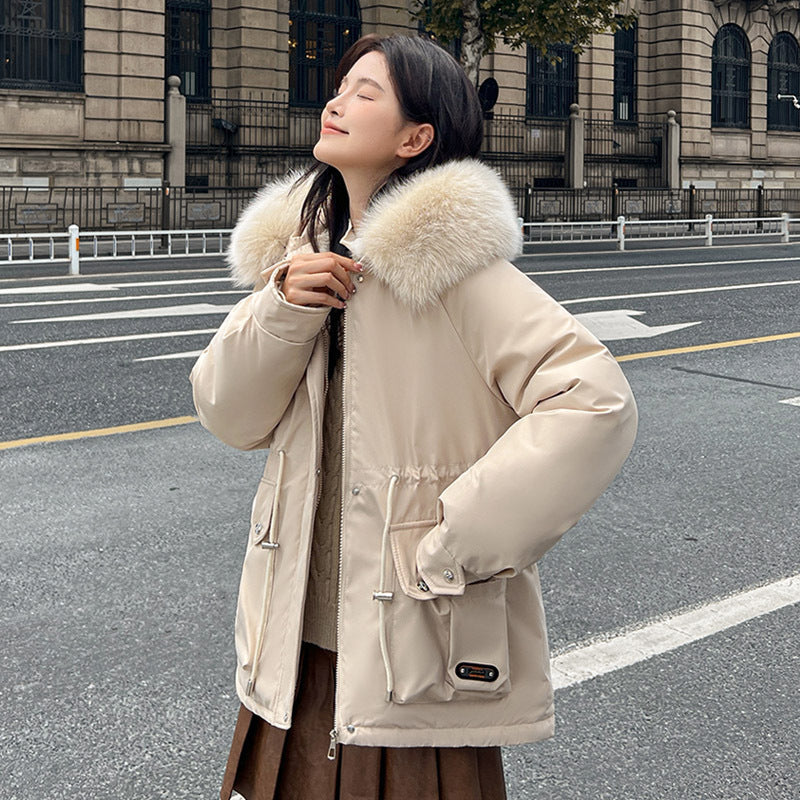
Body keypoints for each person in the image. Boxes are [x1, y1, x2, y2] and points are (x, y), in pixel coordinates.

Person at [190, 32, 638, 800]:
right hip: (296, 646)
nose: (335, 100)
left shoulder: (453, 271)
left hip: (410, 644)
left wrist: (454, 543)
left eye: (366, 92)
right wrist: (282, 308)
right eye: (340, 86)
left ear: (415, 137)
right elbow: (230, 415)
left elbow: (594, 401)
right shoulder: (301, 262)